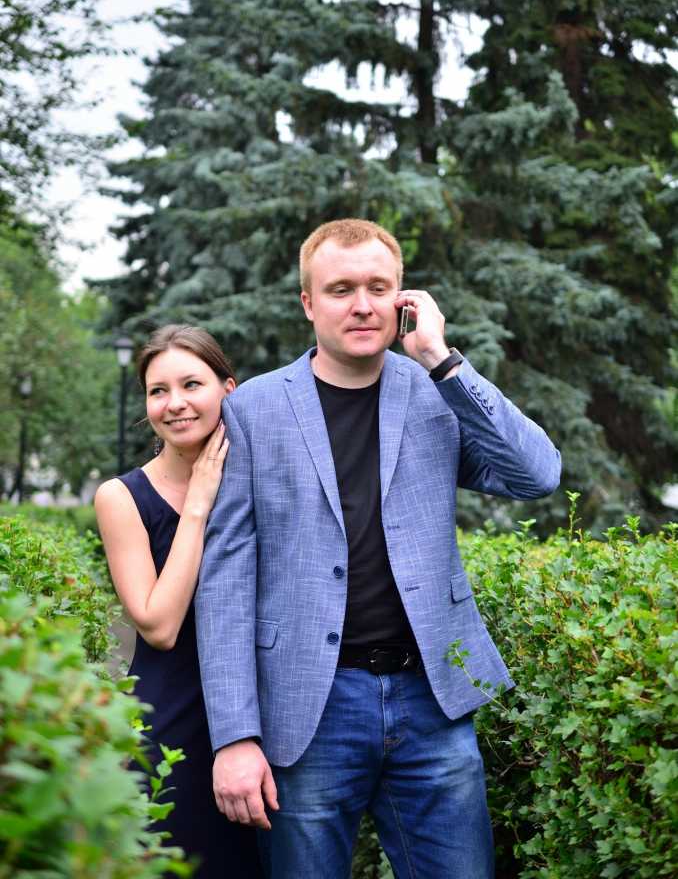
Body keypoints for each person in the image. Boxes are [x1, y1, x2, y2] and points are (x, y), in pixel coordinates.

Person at [195, 220, 561, 879]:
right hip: (308, 707)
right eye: (340, 289)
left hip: (432, 700)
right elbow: (224, 583)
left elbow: (536, 476)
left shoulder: (436, 391)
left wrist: (443, 359)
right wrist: (235, 737)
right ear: (308, 303)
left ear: (403, 297)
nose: (362, 305)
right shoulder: (251, 411)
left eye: (378, 287)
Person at [95, 324, 263, 879]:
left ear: (228, 389)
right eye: (158, 391)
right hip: (172, 721)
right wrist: (197, 506)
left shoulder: (261, 480)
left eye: (192, 384)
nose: (175, 403)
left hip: (263, 716)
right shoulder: (121, 497)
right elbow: (158, 625)